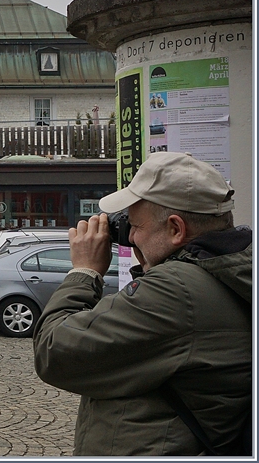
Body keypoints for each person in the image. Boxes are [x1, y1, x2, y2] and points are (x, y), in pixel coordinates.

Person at [33, 152, 251, 456]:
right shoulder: (224, 271)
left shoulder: (175, 291)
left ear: (176, 229)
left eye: (136, 225)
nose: (130, 236)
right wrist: (151, 262)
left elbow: (54, 351)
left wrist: (84, 271)